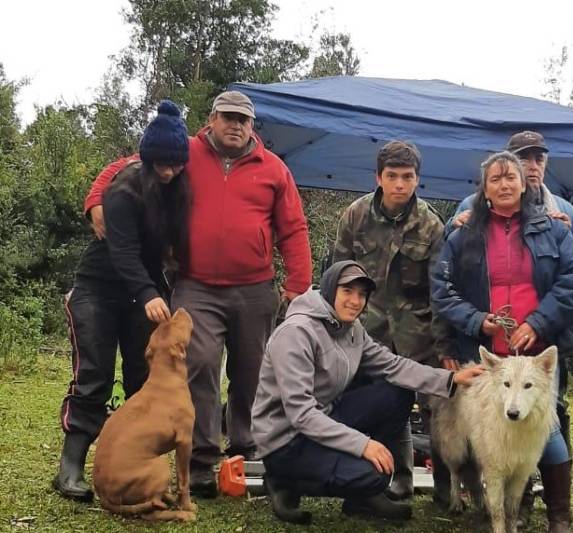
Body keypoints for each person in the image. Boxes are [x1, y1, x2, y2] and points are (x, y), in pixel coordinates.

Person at [82, 90, 313, 497]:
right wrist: (96, 198)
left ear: (252, 125)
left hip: (255, 286)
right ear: (211, 119)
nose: (235, 125)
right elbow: (128, 165)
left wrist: (298, 285)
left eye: (243, 119)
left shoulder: (274, 169)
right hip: (196, 283)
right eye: (227, 117)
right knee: (199, 365)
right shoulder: (184, 151)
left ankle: (245, 449)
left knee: (251, 371)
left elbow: (293, 228)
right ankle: (204, 459)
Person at [251, 260, 483, 524]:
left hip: (324, 417)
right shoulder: (296, 333)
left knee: (398, 394)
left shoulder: (351, 329)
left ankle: (361, 499)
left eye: (362, 294)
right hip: (286, 440)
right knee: (376, 474)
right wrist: (363, 445)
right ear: (329, 291)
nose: (355, 301)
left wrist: (451, 379)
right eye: (347, 291)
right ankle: (283, 479)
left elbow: (392, 365)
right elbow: (301, 413)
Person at [431, 151, 573, 533]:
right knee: (490, 436)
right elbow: (442, 290)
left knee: (546, 434)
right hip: (484, 353)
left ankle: (558, 515)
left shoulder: (554, 229)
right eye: (495, 179)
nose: (503, 184)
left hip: (537, 350)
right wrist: (477, 321)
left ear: (523, 183)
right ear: (484, 188)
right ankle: (499, 511)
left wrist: (539, 322)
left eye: (510, 177)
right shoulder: (463, 234)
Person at [54, 100, 191, 502]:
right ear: (146, 158)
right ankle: (70, 468)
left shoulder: (178, 188)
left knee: (140, 378)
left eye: (175, 163)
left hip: (142, 294)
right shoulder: (124, 188)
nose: (168, 171)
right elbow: (123, 251)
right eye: (160, 163)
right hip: (99, 287)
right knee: (94, 375)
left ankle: (130, 463)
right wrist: (148, 292)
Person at [331, 140, 451, 502]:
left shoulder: (431, 225)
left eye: (408, 176)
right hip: (367, 330)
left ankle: (445, 485)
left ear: (418, 179)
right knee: (387, 405)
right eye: (392, 176)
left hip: (420, 332)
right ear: (378, 178)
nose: (400, 184)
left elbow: (441, 291)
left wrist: (444, 346)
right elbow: (338, 274)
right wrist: (335, 327)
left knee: (436, 409)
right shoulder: (356, 215)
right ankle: (398, 477)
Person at [448, 130, 573, 235]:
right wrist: (452, 227)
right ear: (508, 163)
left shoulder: (566, 210)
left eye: (539, 159)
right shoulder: (471, 206)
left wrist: (566, 238)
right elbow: (448, 253)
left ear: (545, 164)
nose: (533, 166)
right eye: (523, 159)